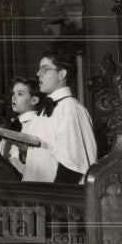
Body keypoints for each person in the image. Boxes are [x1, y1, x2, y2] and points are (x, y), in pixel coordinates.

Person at [23, 51, 98, 183]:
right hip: (38, 193)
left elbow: (74, 165)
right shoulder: (43, 111)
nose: (38, 74)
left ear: (62, 74)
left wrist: (54, 199)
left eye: (44, 69)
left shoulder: (70, 108)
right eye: (39, 69)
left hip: (57, 195)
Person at [0, 77, 42, 176]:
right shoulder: (12, 124)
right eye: (13, 94)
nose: (13, 97)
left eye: (20, 94)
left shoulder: (37, 124)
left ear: (34, 100)